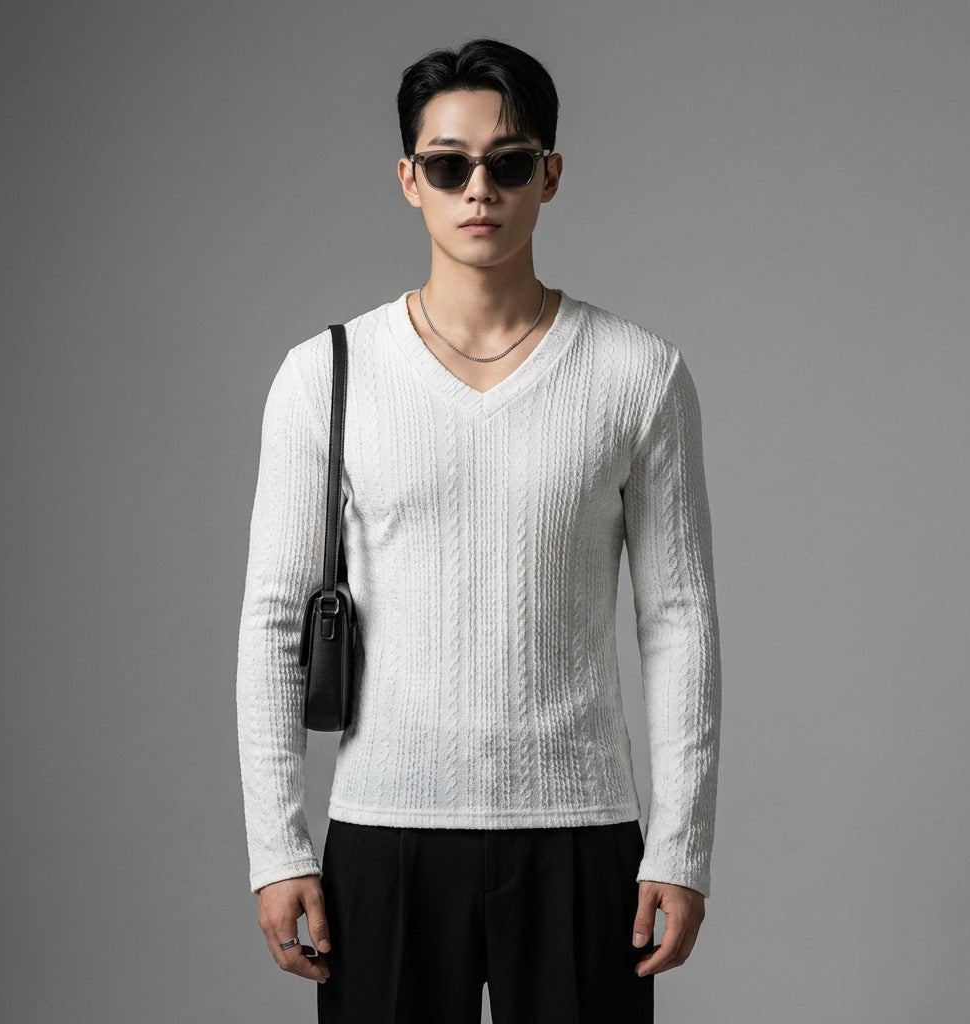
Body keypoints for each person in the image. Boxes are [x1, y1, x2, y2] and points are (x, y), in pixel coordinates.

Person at [236, 38, 722, 1024]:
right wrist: (278, 848)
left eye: (508, 163)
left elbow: (678, 620)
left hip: (581, 834)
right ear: (408, 178)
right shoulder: (325, 376)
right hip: (384, 836)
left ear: (551, 174)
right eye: (449, 164)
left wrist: (680, 846)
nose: (479, 190)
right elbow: (274, 621)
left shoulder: (638, 374)